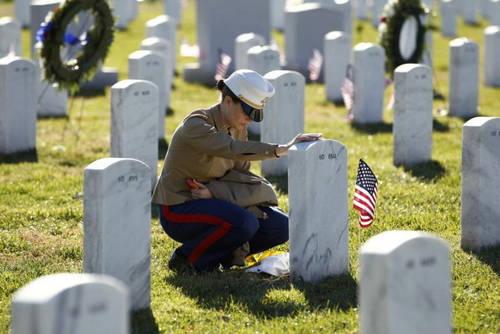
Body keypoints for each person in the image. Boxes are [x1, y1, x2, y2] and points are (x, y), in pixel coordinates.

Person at [152, 69, 321, 273]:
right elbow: (229, 148)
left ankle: (226, 255)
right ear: (228, 100)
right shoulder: (196, 124)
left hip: (213, 200)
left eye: (256, 114)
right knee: (244, 222)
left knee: (280, 225)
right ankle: (186, 258)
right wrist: (279, 149)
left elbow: (240, 176)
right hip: (179, 207)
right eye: (249, 111)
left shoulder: (238, 127)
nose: (251, 119)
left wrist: (213, 192)